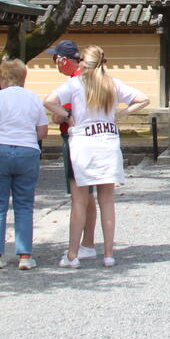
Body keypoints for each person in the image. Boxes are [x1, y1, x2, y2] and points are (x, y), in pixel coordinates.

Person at [45, 45, 150, 268]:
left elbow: (48, 100)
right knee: (107, 201)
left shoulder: (75, 84)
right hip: (108, 142)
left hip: (83, 143)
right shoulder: (112, 84)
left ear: (84, 62)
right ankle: (108, 254)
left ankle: (72, 255)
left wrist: (67, 114)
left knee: (79, 201)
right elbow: (143, 99)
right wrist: (120, 113)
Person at [0, 58, 49, 270]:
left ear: (3, 77)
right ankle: (25, 256)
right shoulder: (33, 98)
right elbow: (42, 131)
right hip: (27, 151)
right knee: (24, 205)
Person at [45, 39, 99, 258]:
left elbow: (58, 115)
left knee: (80, 195)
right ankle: (88, 243)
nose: (55, 64)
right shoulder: (90, 79)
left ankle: (77, 248)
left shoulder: (74, 83)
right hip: (92, 138)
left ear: (63, 60)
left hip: (75, 138)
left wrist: (60, 116)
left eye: (55, 60)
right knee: (89, 194)